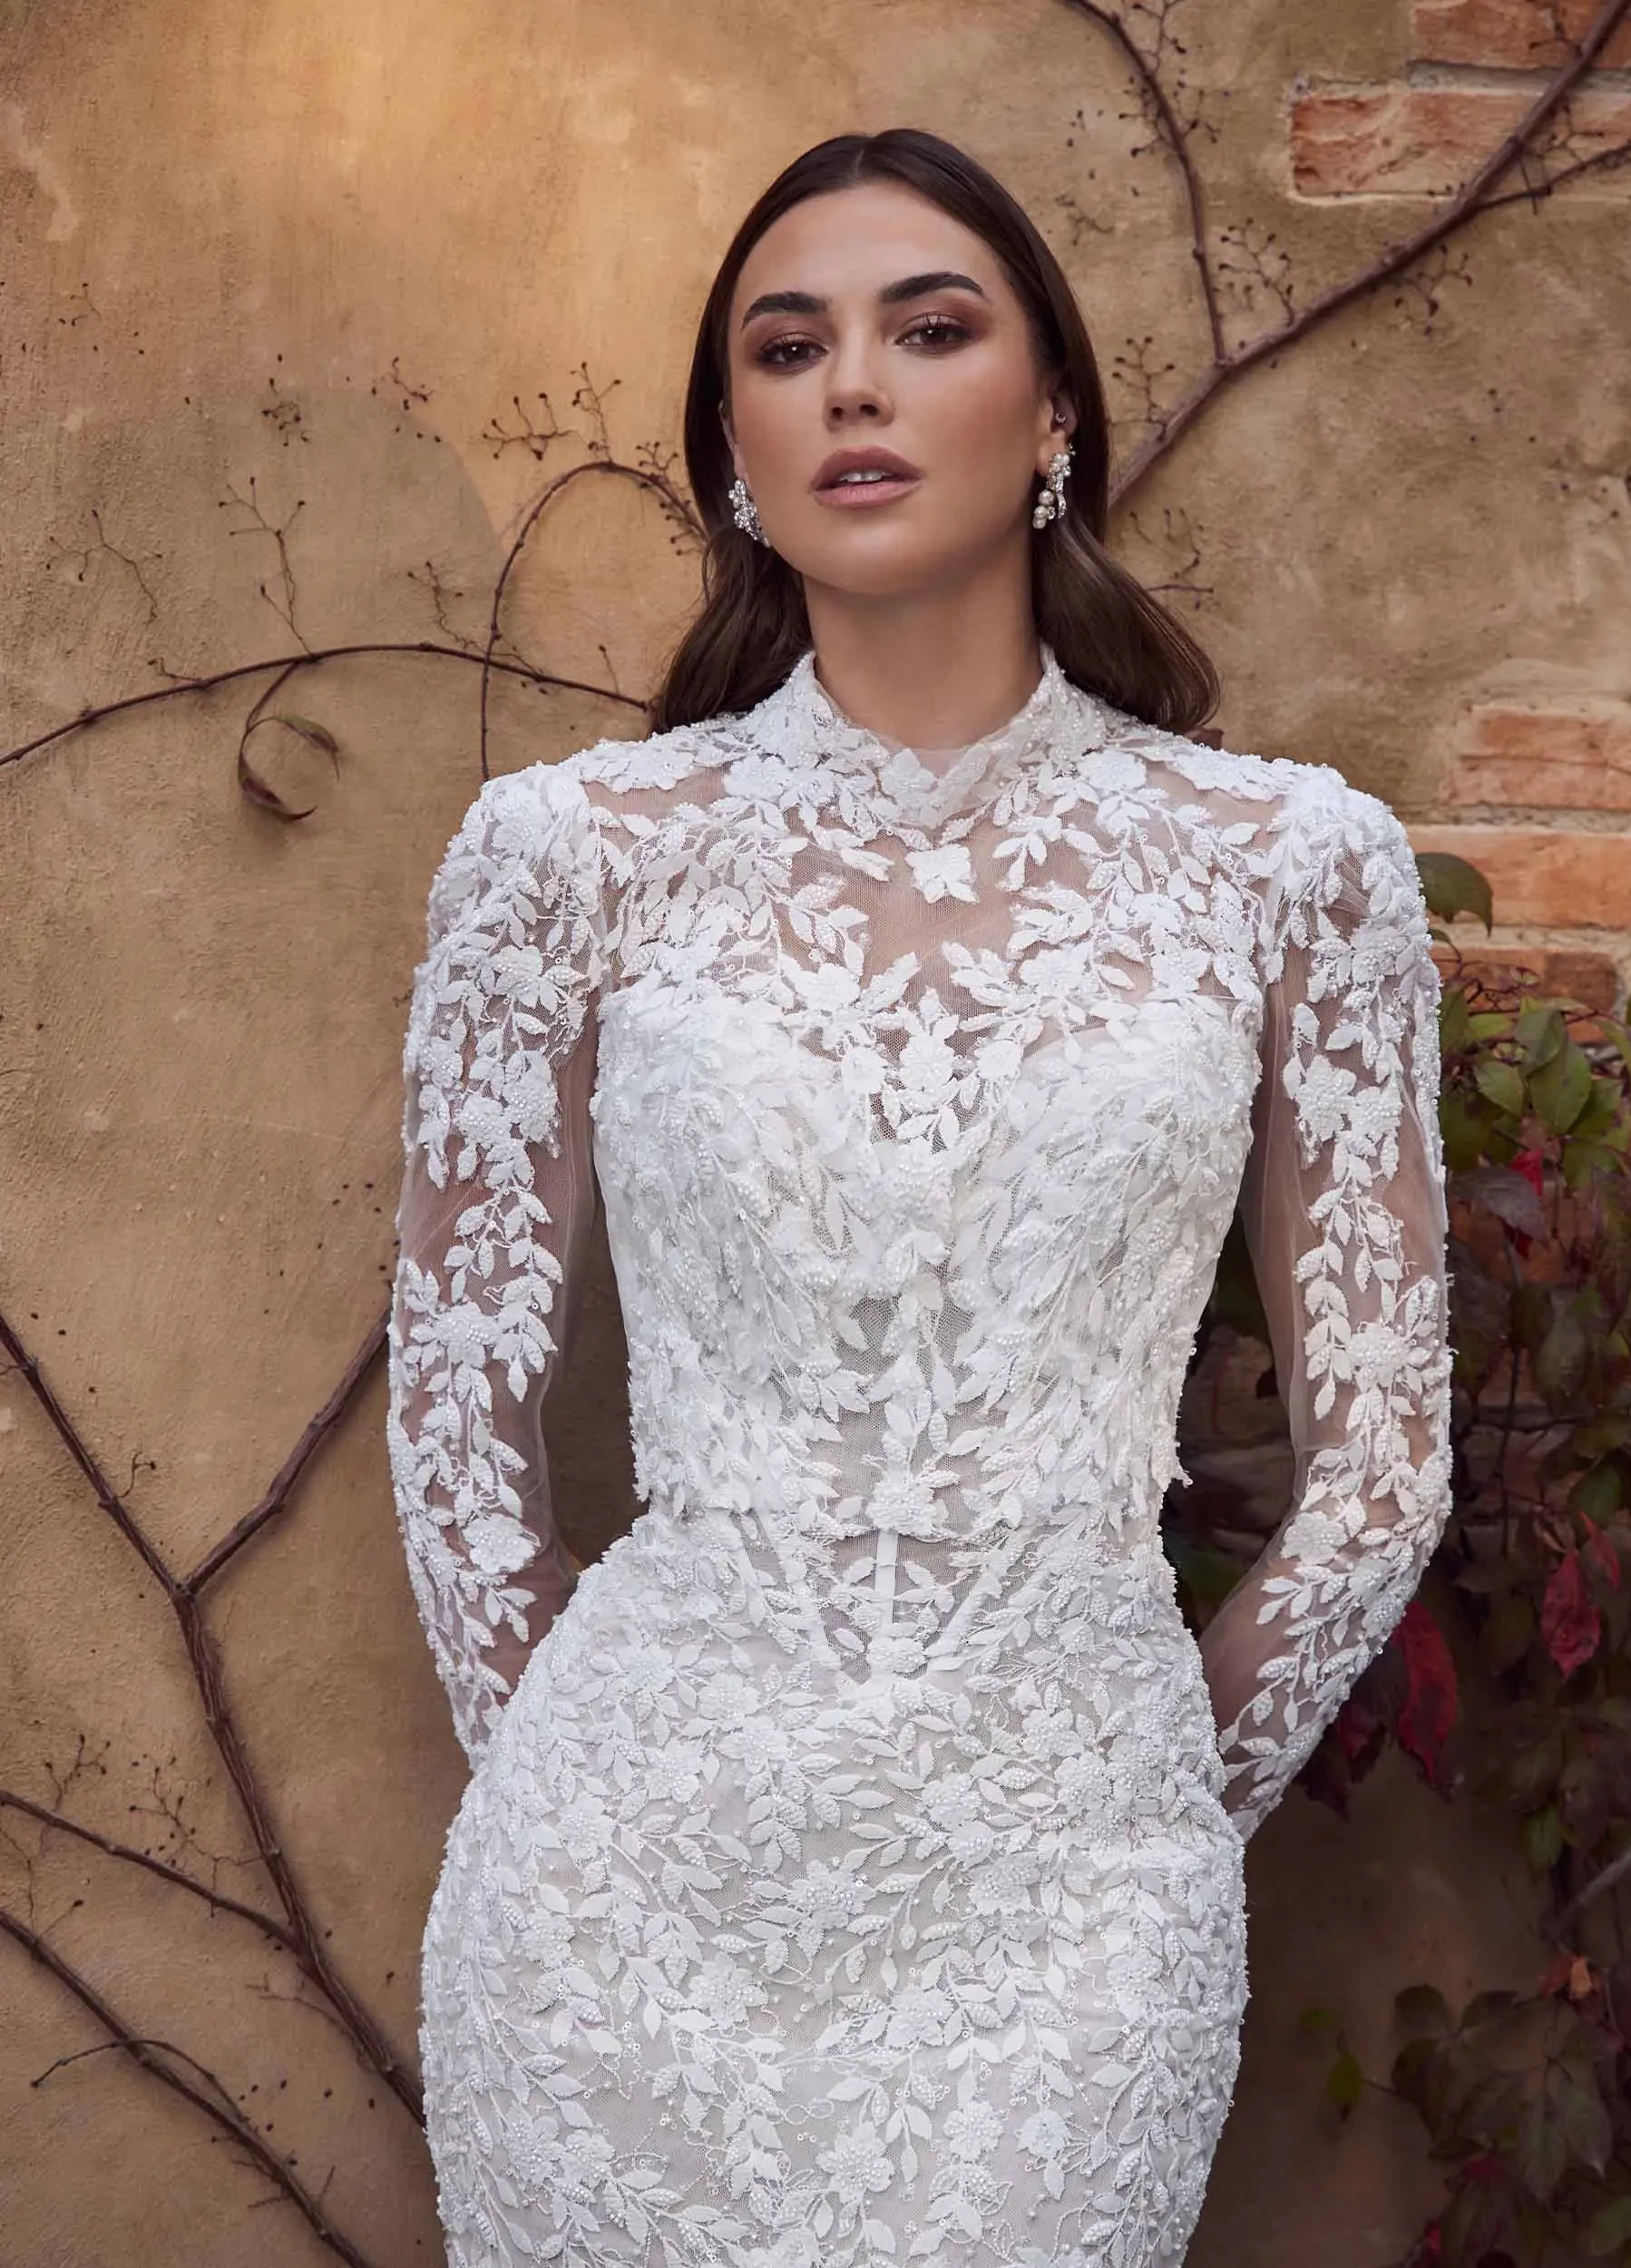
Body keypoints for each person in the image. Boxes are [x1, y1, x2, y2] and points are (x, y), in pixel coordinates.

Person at [385, 125, 1452, 2268]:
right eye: (787, 350)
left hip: (1065, 1910)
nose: (849, 386)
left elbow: (1380, 1459)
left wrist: (1142, 1789)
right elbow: (458, 1413)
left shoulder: (1288, 867)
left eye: (926, 327)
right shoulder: (566, 854)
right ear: (733, 451)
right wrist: (563, 1778)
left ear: (1051, 408)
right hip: (624, 1897)